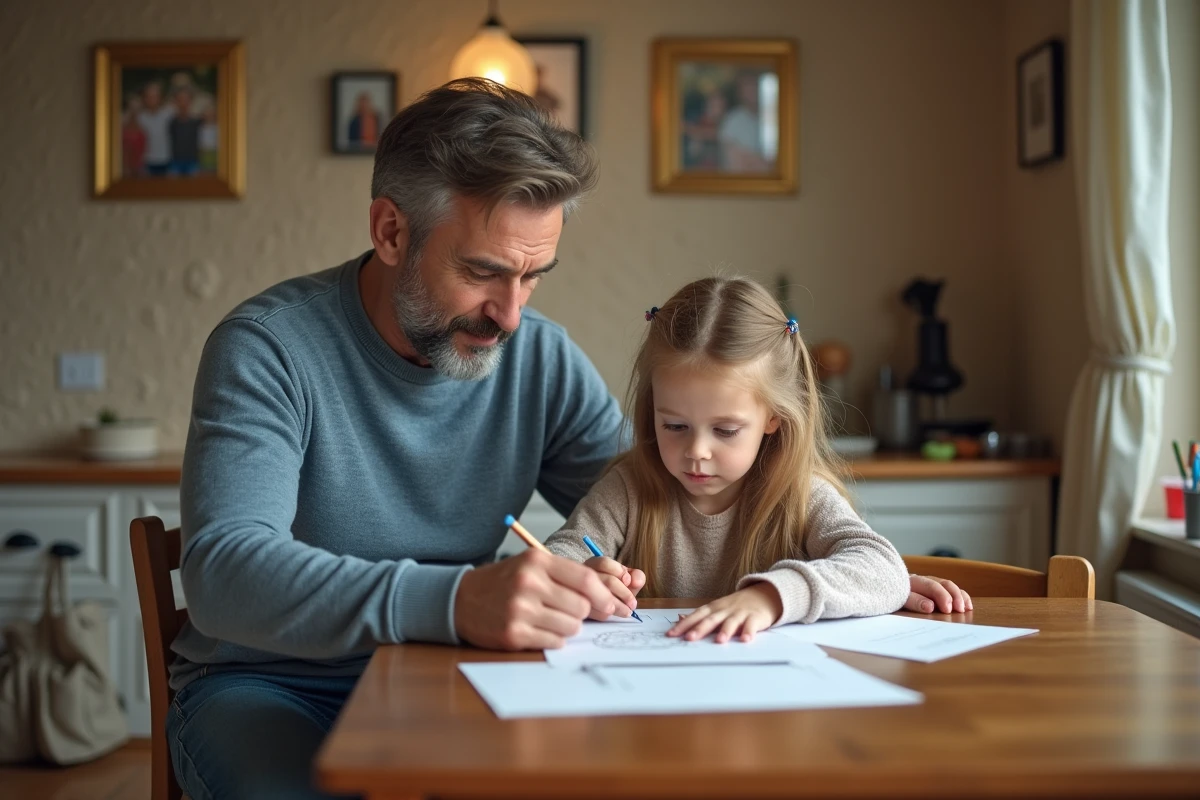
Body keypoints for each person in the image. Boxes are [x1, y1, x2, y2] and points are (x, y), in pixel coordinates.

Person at [169, 78, 971, 799]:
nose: (511, 315)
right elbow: (224, 573)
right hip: (272, 685)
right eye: (484, 271)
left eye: (534, 275)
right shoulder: (268, 348)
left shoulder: (535, 355)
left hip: (452, 676)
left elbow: (682, 496)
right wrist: (454, 598)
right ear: (389, 232)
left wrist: (852, 580)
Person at [546, 277, 926, 641]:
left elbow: (884, 570)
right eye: (675, 426)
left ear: (773, 418)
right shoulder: (628, 489)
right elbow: (556, 559)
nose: (696, 451)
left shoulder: (800, 495)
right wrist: (582, 578)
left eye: (726, 431)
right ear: (652, 410)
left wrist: (772, 597)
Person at [136, 81, 174, 176]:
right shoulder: (140, 117)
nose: (152, 100)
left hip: (166, 159)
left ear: (160, 98)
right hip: (147, 161)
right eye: (148, 97)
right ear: (144, 99)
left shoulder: (169, 114)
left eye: (155, 97)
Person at [167, 83, 202, 176]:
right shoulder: (171, 122)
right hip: (175, 162)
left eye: (186, 100)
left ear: (190, 102)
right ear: (176, 102)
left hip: (193, 163)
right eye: (180, 100)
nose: (183, 103)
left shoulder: (197, 122)